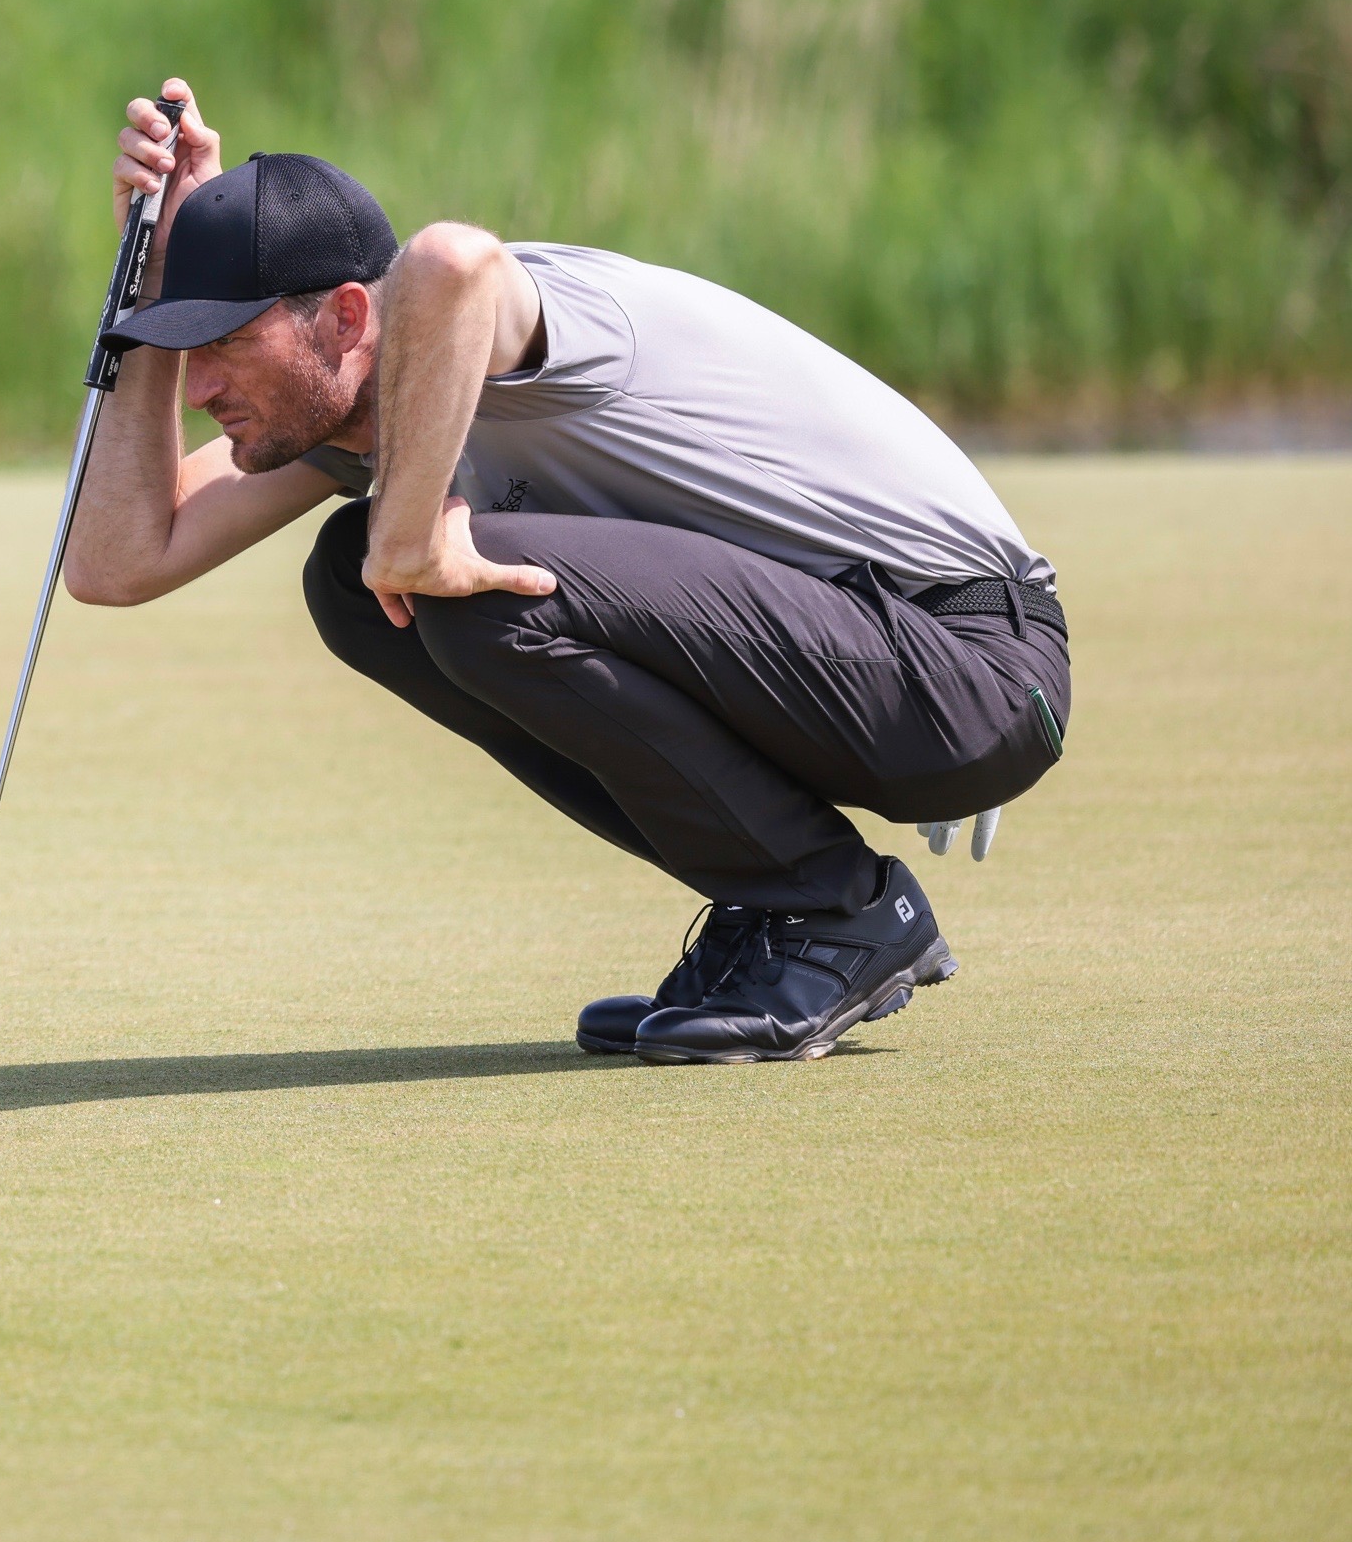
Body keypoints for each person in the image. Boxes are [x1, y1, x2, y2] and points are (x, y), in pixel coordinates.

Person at [60, 82, 1070, 1064]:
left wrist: (409, 535)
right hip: (845, 653)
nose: (202, 387)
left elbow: (452, 264)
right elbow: (116, 559)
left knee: (448, 575)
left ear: (353, 318)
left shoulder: (482, 319)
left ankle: (836, 912)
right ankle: (784, 904)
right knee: (354, 585)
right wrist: (151, 277)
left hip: (960, 655)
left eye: (227, 342)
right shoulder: (353, 418)